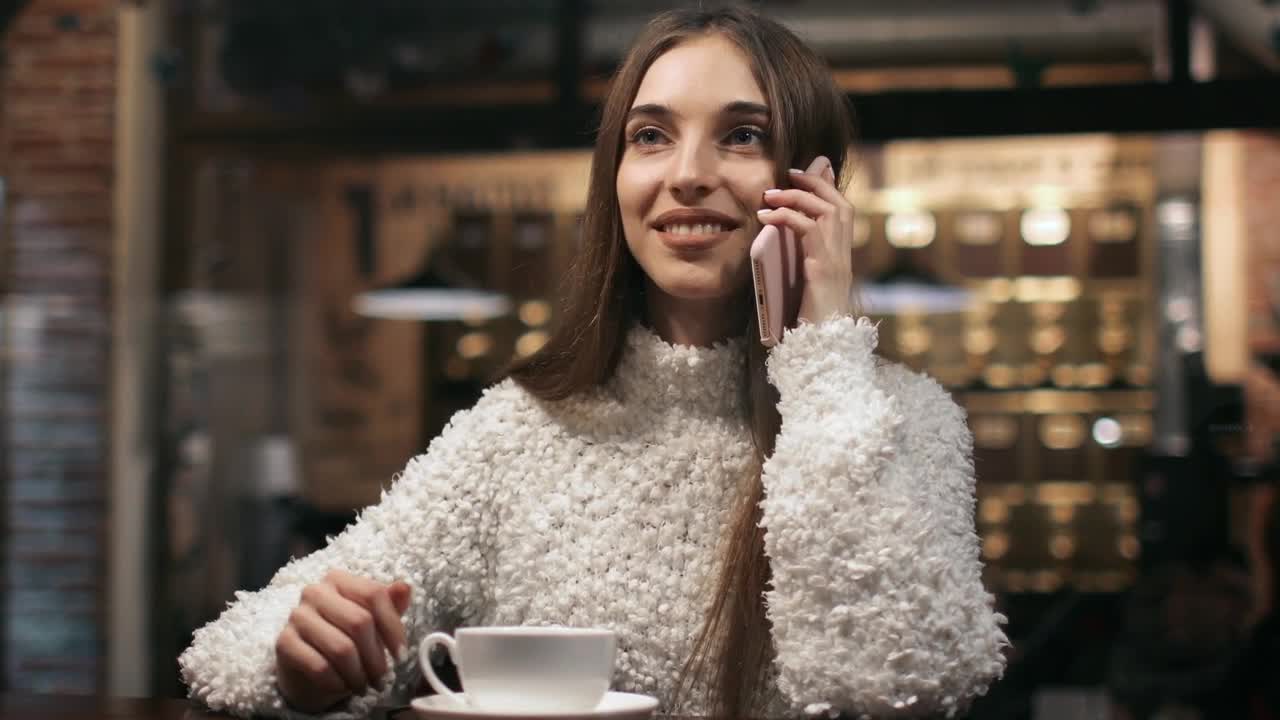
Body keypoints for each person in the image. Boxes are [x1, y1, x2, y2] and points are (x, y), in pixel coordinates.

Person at [179, 6, 1008, 719]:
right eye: (651, 136)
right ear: (614, 175)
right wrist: (304, 655)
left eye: (743, 135)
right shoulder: (519, 430)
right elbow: (233, 647)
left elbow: (902, 681)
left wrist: (823, 356)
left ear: (814, 187)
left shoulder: (903, 420)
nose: (687, 175)